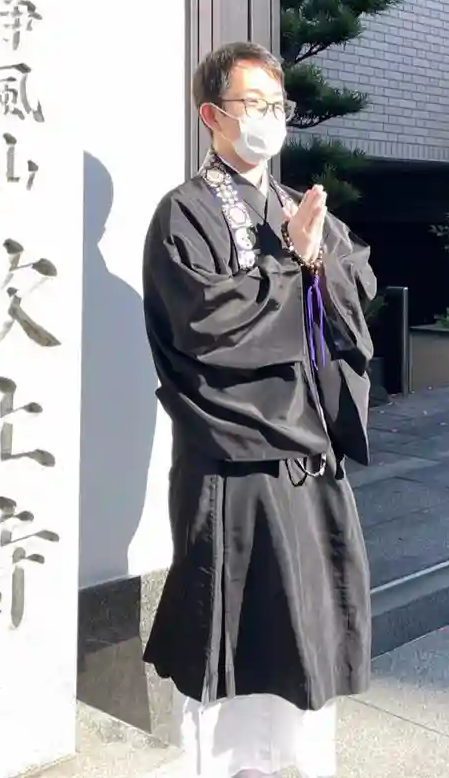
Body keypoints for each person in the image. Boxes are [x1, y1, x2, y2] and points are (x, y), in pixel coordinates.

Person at [140, 41, 378, 778]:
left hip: (308, 457)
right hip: (236, 462)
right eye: (253, 104)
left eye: (278, 105)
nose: (269, 119)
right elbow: (206, 325)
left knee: (307, 629)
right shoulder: (183, 215)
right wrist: (292, 265)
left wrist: (316, 260)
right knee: (239, 632)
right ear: (211, 115)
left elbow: (356, 294)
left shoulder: (296, 206)